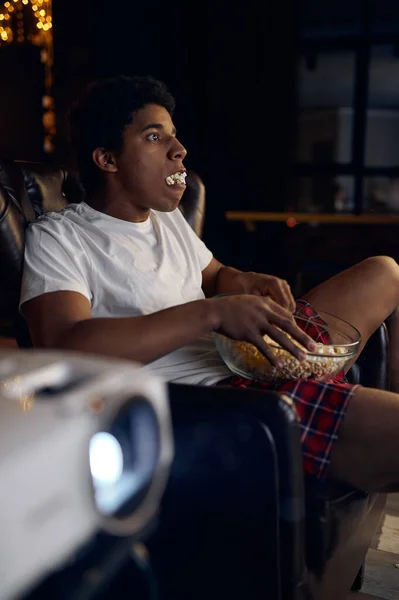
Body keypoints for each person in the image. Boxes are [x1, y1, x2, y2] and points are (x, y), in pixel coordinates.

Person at [20, 75, 399, 493]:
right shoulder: (60, 236)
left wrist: (245, 281)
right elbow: (64, 344)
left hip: (248, 359)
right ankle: (337, 409)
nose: (179, 151)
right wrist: (213, 312)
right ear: (107, 159)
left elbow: (214, 274)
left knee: (384, 272)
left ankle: (333, 397)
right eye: (154, 137)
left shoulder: (165, 219)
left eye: (174, 137)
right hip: (212, 396)